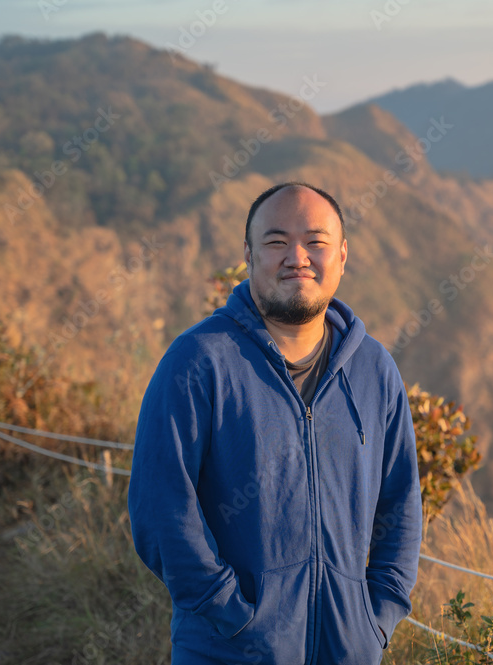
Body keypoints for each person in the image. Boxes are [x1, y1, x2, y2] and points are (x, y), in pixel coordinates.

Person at [128, 181, 424, 664]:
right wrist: (232, 615)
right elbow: (160, 508)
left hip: (348, 652)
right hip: (227, 651)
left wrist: (378, 616)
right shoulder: (199, 361)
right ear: (248, 253)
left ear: (342, 255)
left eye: (315, 241)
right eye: (276, 241)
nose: (297, 256)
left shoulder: (374, 369)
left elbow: (401, 503)